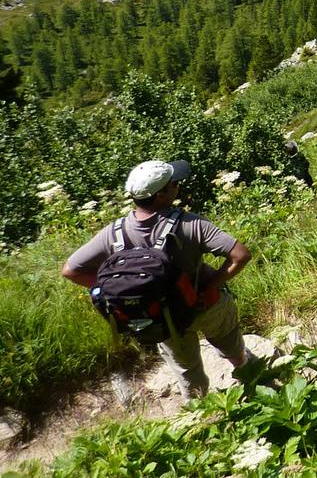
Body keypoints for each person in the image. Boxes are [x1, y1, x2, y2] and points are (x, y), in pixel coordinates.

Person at [62, 160, 254, 399]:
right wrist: (210, 285)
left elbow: (70, 270)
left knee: (188, 371)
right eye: (174, 183)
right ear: (161, 194)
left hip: (164, 317)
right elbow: (241, 255)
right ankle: (246, 373)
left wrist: (117, 288)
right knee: (229, 343)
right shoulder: (190, 224)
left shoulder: (113, 233)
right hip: (206, 304)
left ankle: (201, 414)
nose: (178, 185)